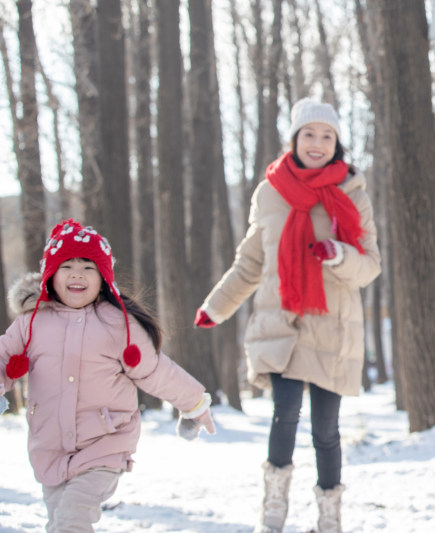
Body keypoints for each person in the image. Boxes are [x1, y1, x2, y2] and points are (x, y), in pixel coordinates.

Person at [194, 97, 381, 533]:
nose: (317, 143)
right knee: (285, 411)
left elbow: (370, 266)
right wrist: (215, 306)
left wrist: (338, 254)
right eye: (309, 134)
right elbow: (250, 263)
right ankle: (273, 507)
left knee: (325, 430)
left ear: (338, 144)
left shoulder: (353, 194)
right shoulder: (270, 192)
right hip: (281, 325)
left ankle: (329, 514)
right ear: (294, 140)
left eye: (327, 136)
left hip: (333, 331)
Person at [0, 219, 215, 533]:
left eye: (88, 267)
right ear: (50, 274)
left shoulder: (118, 324)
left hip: (105, 444)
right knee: (58, 522)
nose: (77, 274)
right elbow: (4, 357)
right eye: (67, 265)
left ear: (103, 277)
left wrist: (194, 402)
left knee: (72, 520)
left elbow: (155, 371)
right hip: (50, 447)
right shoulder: (32, 322)